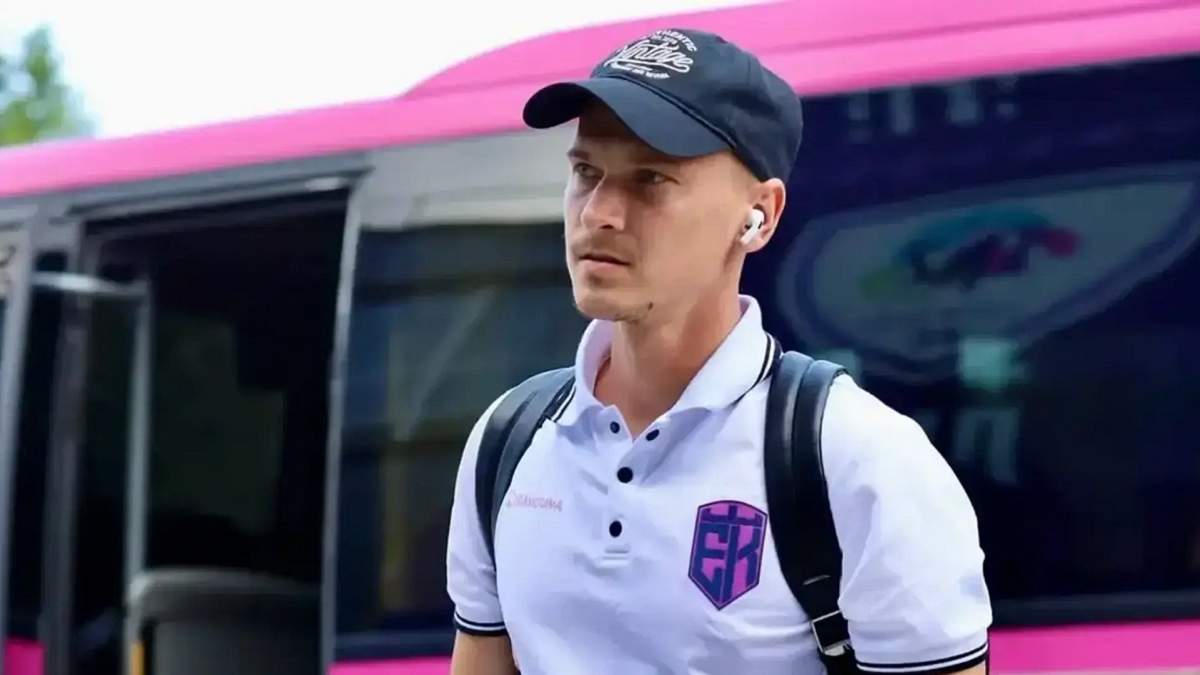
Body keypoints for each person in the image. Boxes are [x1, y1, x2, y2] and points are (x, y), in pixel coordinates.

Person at [445, 28, 992, 675]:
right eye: (586, 171)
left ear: (759, 214)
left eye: (650, 178)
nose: (598, 213)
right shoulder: (509, 439)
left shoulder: (859, 456)